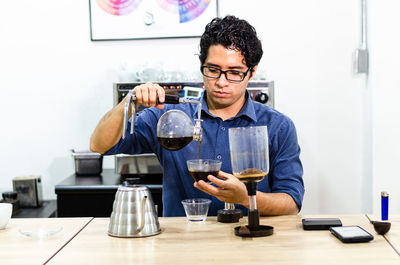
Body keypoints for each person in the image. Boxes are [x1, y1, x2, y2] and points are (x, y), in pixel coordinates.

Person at [90, 15, 304, 217]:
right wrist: (129, 101)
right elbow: (100, 146)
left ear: (252, 72)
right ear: (201, 66)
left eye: (235, 72)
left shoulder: (278, 126)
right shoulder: (169, 117)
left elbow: (291, 203)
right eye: (213, 69)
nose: (221, 81)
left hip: (251, 242)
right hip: (182, 244)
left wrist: (246, 198)